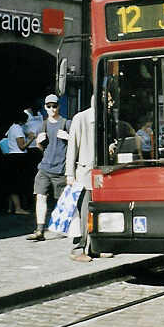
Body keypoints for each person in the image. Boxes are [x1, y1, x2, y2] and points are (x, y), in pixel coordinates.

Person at [27, 94, 71, 241]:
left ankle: (67, 227)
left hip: (60, 169)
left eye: (54, 106)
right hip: (45, 168)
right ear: (45, 107)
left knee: (62, 200)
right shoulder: (43, 125)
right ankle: (40, 230)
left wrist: (68, 138)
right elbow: (42, 148)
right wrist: (39, 144)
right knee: (40, 196)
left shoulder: (66, 123)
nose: (52, 109)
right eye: (49, 106)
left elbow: (76, 144)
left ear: (59, 106)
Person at [66, 96, 95, 262]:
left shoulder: (108, 118)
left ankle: (95, 247)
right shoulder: (81, 118)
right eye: (109, 99)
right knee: (85, 213)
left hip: (102, 176)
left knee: (97, 213)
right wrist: (69, 174)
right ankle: (79, 248)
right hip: (85, 175)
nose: (111, 104)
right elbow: (72, 147)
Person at [4, 109, 30, 215]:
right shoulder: (18, 129)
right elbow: (22, 146)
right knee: (17, 184)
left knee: (11, 182)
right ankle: (18, 208)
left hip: (11, 156)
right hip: (18, 157)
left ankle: (11, 208)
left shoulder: (11, 128)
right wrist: (31, 139)